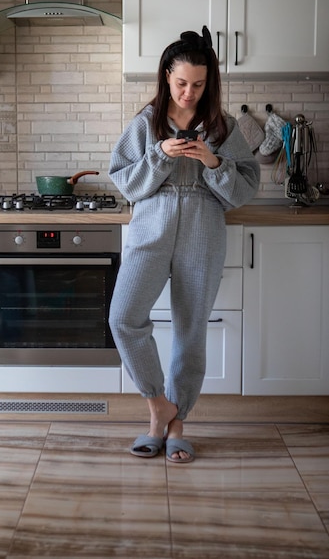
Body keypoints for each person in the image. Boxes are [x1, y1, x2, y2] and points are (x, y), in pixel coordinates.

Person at [108, 26, 260, 463]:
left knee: (190, 332)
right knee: (124, 317)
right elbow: (126, 183)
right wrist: (160, 155)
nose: (189, 92)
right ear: (166, 77)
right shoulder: (146, 123)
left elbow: (245, 189)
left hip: (203, 232)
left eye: (198, 84)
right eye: (181, 83)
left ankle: (174, 424)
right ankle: (159, 403)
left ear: (209, 82)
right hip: (149, 231)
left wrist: (214, 162)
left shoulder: (224, 127)